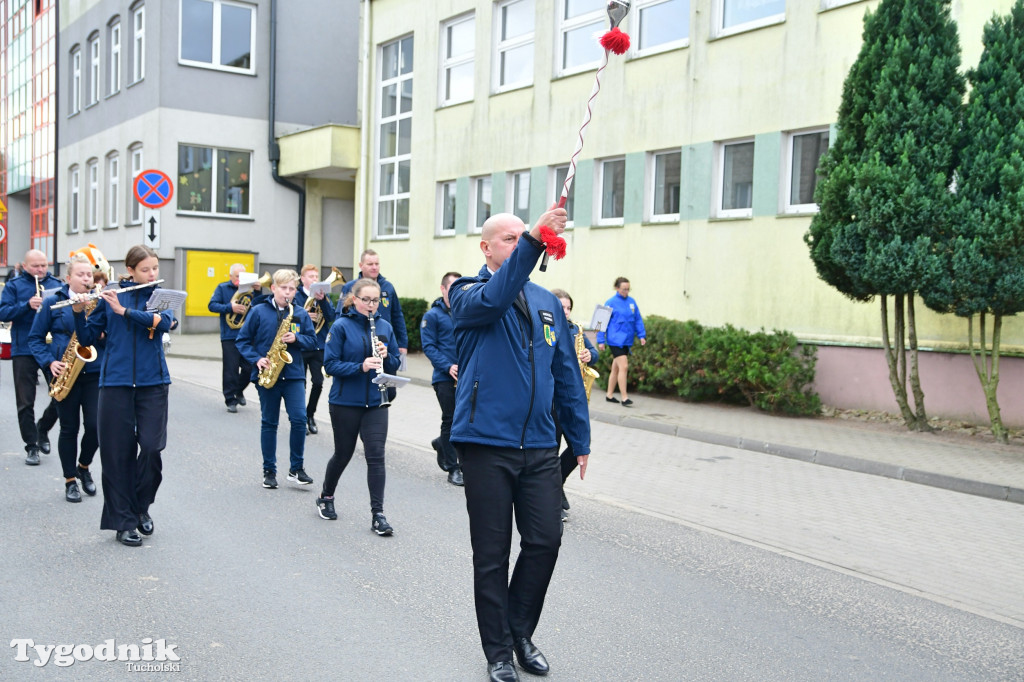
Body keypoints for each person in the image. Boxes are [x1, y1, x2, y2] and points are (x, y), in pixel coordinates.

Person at [449, 209, 591, 682]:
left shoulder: (547, 301)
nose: (516, 244)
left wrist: (580, 436)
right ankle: (498, 653)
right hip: (486, 444)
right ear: (486, 248)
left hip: (538, 447)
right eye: (507, 239)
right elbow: (496, 297)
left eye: (521, 238)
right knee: (491, 555)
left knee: (546, 540)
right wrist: (533, 238)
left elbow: (566, 374)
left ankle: (520, 631)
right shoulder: (468, 294)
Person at [71, 245, 174, 547]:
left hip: (153, 382)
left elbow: (164, 323)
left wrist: (124, 311)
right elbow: (88, 338)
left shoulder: (161, 296)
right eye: (145, 270)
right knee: (117, 456)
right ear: (130, 271)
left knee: (152, 449)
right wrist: (79, 312)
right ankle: (124, 521)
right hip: (114, 382)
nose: (152, 274)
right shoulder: (110, 294)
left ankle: (141, 506)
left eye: (155, 268)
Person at [316, 278, 401, 535]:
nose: (371, 305)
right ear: (354, 299)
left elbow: (396, 362)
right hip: (345, 402)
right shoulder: (341, 326)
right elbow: (330, 365)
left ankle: (378, 515)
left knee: (376, 456)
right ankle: (326, 496)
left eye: (375, 301)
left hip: (376, 401)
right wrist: (360, 366)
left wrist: (388, 357)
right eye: (366, 300)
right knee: (343, 453)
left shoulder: (384, 326)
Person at [28, 254, 104, 502]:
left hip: (93, 373)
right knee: (69, 429)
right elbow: (35, 338)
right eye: (80, 275)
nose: (86, 278)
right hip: (64, 372)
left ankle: (84, 466)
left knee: (95, 426)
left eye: (89, 275)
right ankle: (70, 479)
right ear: (68, 278)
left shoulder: (99, 302)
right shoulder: (53, 301)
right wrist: (50, 362)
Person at [235, 269, 317, 491]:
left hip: (294, 375)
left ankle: (296, 468)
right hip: (267, 374)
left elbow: (313, 341)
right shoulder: (259, 311)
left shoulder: (299, 313)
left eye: (292, 289)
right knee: (269, 423)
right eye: (284, 288)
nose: (288, 293)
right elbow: (242, 341)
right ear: (273, 288)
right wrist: (257, 359)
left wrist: (297, 338)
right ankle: (269, 471)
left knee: (299, 419)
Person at [0, 249, 61, 465]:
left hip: (50, 349)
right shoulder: (14, 286)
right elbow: (3, 313)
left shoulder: (56, 284)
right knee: (25, 401)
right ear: (24, 266)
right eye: (35, 266)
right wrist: (27, 306)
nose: (40, 269)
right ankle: (31, 446)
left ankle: (42, 429)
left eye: (44, 265)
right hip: (24, 348)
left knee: (60, 394)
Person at [550, 288, 598, 522]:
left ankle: (556, 483)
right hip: (553, 400)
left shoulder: (575, 329)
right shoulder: (547, 329)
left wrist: (590, 354)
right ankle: (552, 500)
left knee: (580, 445)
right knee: (552, 449)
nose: (566, 312)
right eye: (561, 307)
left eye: (569, 308)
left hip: (574, 397)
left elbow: (594, 352)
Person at [421, 271, 463, 486]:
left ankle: (442, 444)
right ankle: (452, 467)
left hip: (466, 376)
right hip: (444, 377)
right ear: (443, 289)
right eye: (452, 287)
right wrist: (447, 366)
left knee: (464, 421)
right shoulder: (433, 316)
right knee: (451, 419)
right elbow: (428, 346)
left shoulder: (466, 311)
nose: (456, 292)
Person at [337, 249, 408, 355]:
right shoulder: (350, 287)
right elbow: (340, 314)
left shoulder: (388, 287)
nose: (374, 267)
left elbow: (397, 315)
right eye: (370, 264)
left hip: (383, 340)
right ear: (361, 265)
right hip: (357, 343)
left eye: (377, 264)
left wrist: (402, 343)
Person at [293, 264, 336, 435]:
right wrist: (304, 315)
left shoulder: (322, 296)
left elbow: (331, 316)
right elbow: (290, 318)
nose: (314, 279)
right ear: (302, 279)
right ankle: (301, 418)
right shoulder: (296, 295)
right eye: (310, 276)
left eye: (316, 276)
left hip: (319, 346)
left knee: (318, 382)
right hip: (301, 346)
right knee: (300, 384)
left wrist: (322, 300)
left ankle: (310, 414)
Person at [208, 264, 255, 413]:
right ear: (230, 277)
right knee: (231, 369)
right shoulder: (222, 288)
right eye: (237, 276)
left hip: (247, 335)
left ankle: (239, 389)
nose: (240, 279)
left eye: (242, 276)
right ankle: (230, 399)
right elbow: (212, 306)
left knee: (250, 367)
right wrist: (230, 308)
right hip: (229, 335)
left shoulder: (250, 290)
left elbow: (259, 307)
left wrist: (259, 292)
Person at [597, 276, 646, 407]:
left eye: (628, 289)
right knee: (624, 366)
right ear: (617, 288)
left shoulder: (632, 302)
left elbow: (638, 319)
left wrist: (641, 335)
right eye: (624, 289)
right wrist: (600, 340)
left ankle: (609, 395)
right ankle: (624, 398)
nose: (626, 291)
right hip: (614, 340)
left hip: (626, 340)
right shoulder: (610, 302)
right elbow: (601, 321)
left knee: (616, 368)